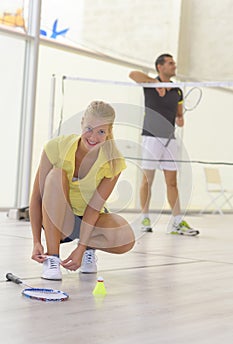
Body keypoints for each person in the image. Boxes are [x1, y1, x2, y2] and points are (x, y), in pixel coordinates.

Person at [29, 100, 135, 280]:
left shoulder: (114, 161)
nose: (93, 137)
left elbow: (94, 208)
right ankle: (53, 257)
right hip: (60, 222)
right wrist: (37, 241)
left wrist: (81, 247)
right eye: (89, 128)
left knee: (126, 238)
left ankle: (88, 249)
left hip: (90, 220)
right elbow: (36, 198)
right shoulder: (55, 147)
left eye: (101, 131)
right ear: (82, 123)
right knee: (56, 175)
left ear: (109, 132)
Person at [129, 53, 199, 236]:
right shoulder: (149, 85)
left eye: (173, 62)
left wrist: (181, 118)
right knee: (147, 180)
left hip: (170, 140)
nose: (174, 65)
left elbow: (179, 114)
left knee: (172, 183)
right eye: (170, 63)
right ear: (160, 67)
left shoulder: (177, 90)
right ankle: (144, 218)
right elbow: (132, 74)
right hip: (151, 138)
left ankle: (176, 222)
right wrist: (155, 84)